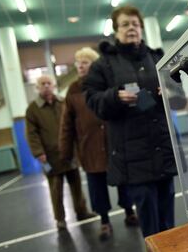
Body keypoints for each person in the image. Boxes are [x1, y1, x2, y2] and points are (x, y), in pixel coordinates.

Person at [83, 5, 182, 237]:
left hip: (163, 150)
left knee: (169, 222)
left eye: (136, 24)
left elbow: (179, 97)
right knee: (150, 225)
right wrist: (114, 97)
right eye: (125, 24)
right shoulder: (103, 65)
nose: (131, 29)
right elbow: (93, 101)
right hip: (133, 157)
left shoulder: (158, 58)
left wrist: (169, 92)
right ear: (116, 30)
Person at [59, 47, 138, 241]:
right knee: (97, 189)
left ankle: (129, 212)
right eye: (77, 62)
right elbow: (66, 124)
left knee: (124, 182)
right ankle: (104, 222)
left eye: (84, 62)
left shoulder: (109, 82)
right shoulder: (72, 90)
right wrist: (65, 153)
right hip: (89, 149)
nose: (80, 66)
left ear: (95, 65)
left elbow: (135, 96)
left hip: (115, 144)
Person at [25, 75, 95, 231]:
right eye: (42, 84)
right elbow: (31, 134)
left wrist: (77, 147)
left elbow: (73, 125)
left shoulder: (63, 102)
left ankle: (82, 211)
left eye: (49, 83)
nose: (46, 86)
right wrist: (38, 153)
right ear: (37, 88)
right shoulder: (32, 109)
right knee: (56, 189)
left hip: (69, 152)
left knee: (76, 185)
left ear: (54, 85)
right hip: (50, 156)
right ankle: (60, 219)